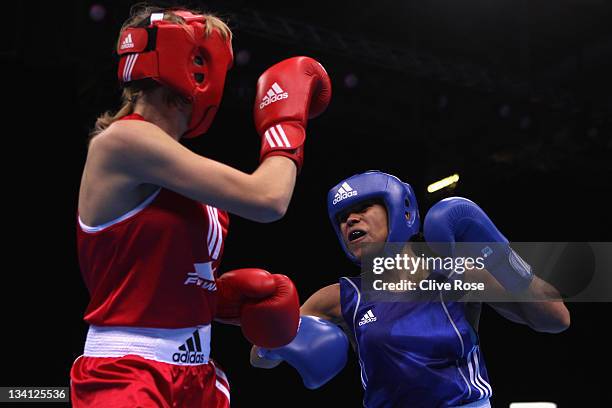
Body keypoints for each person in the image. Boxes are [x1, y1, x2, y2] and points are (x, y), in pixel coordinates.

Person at [71, 5, 331, 407]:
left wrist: (215, 298)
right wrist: (286, 122)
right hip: (128, 374)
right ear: (195, 68)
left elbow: (149, 270)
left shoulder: (174, 165)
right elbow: (268, 199)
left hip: (197, 374)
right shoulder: (122, 143)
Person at [251, 170, 570, 408]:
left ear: (402, 211)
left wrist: (502, 257)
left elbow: (555, 320)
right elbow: (259, 359)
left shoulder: (455, 274)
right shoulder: (339, 297)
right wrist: (271, 340)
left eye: (364, 207)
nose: (351, 219)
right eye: (343, 217)